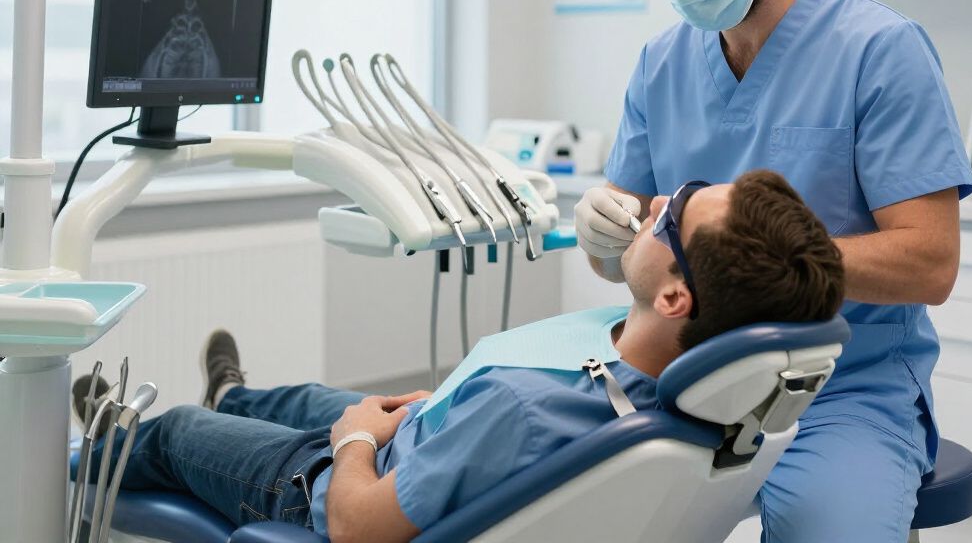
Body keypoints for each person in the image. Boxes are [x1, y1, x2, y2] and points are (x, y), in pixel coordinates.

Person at [574, 0, 972, 543]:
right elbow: (628, 255)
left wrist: (755, 262)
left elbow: (930, 263)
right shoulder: (662, 64)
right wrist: (603, 237)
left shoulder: (878, 49)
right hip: (683, 377)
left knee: (825, 527)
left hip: (839, 388)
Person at [78, 170, 843, 542]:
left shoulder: (521, 411)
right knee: (301, 396)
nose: (655, 204)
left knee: (177, 433)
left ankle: (99, 442)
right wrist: (443, 413)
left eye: (672, 216)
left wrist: (354, 443)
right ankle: (234, 397)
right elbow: (496, 427)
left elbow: (355, 526)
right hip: (429, 434)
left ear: (676, 296)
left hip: (328, 482)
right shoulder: (674, 394)